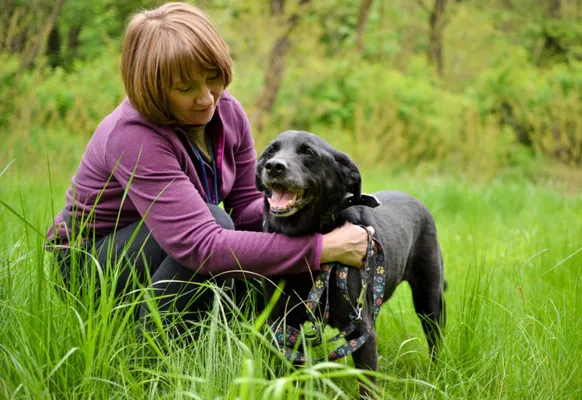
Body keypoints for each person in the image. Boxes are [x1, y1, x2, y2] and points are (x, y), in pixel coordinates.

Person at [46, 2, 373, 333]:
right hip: (90, 263)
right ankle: (153, 350)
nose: (205, 98)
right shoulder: (132, 136)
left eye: (213, 77)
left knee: (244, 232)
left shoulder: (226, 111)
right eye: (185, 88)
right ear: (153, 89)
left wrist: (325, 222)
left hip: (164, 244)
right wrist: (322, 249)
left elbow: (248, 207)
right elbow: (200, 245)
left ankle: (249, 339)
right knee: (216, 225)